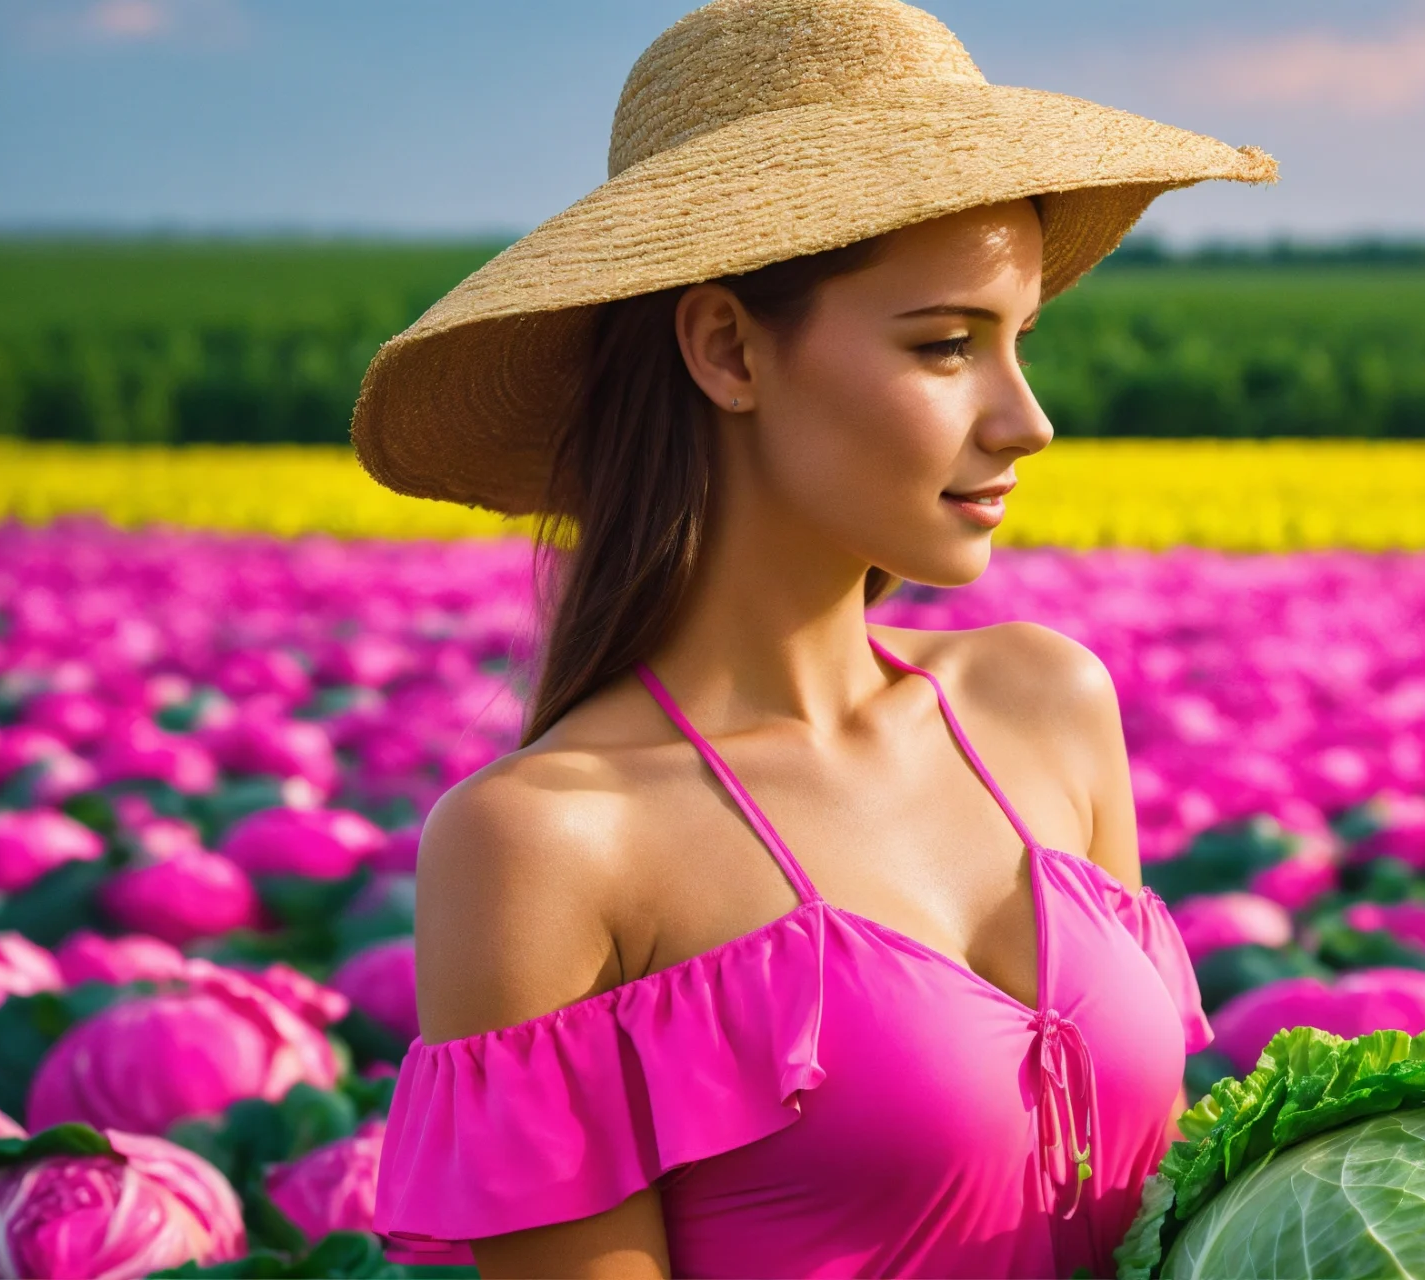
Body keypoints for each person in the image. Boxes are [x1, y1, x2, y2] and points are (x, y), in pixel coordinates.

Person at [351, 0, 1274, 1275]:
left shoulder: (1044, 704)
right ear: (727, 347)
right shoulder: (547, 843)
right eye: (947, 345)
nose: (1027, 420)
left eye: (1020, 343)